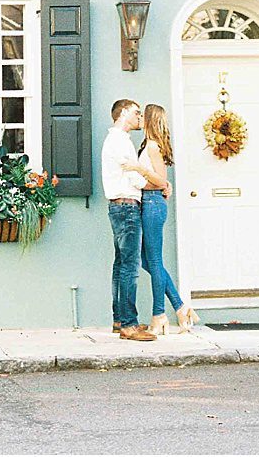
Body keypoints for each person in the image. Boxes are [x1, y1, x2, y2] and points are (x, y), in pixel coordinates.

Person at [103, 99, 171, 341]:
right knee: (130, 267)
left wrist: (158, 183)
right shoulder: (120, 141)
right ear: (122, 113)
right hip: (127, 206)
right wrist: (159, 185)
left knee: (121, 264)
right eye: (135, 112)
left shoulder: (119, 140)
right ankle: (129, 325)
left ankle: (119, 319)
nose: (139, 117)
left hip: (120, 206)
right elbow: (135, 179)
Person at [139, 103, 200, 334]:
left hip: (153, 203)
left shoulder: (153, 147)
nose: (140, 118)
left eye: (143, 115)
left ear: (150, 120)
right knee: (147, 261)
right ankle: (180, 307)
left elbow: (160, 180)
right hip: (150, 202)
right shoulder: (148, 145)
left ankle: (158, 315)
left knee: (153, 261)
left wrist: (137, 177)